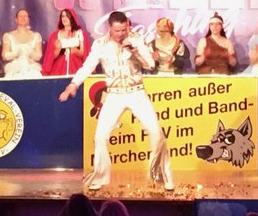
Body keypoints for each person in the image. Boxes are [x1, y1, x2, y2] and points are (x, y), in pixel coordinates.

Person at [58, 11, 174, 192]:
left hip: (136, 92)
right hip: (114, 94)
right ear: (110, 28)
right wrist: (73, 85)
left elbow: (150, 64)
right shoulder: (100, 44)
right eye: (117, 30)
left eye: (124, 29)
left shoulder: (136, 39)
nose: (121, 34)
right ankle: (100, 177)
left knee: (156, 133)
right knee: (100, 136)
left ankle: (161, 175)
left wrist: (135, 51)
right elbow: (88, 66)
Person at [42, 9, 91, 76]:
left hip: (76, 65)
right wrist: (58, 49)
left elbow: (83, 53)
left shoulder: (80, 33)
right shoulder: (56, 35)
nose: (64, 18)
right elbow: (51, 57)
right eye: (62, 16)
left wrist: (74, 50)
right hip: (59, 67)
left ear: (72, 17)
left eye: (67, 16)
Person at [1, 9, 43, 78]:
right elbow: (5, 56)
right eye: (20, 16)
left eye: (25, 16)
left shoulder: (36, 35)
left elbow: (39, 56)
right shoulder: (8, 36)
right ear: (16, 19)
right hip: (14, 70)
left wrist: (30, 52)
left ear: (28, 19)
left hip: (31, 70)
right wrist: (16, 53)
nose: (23, 18)